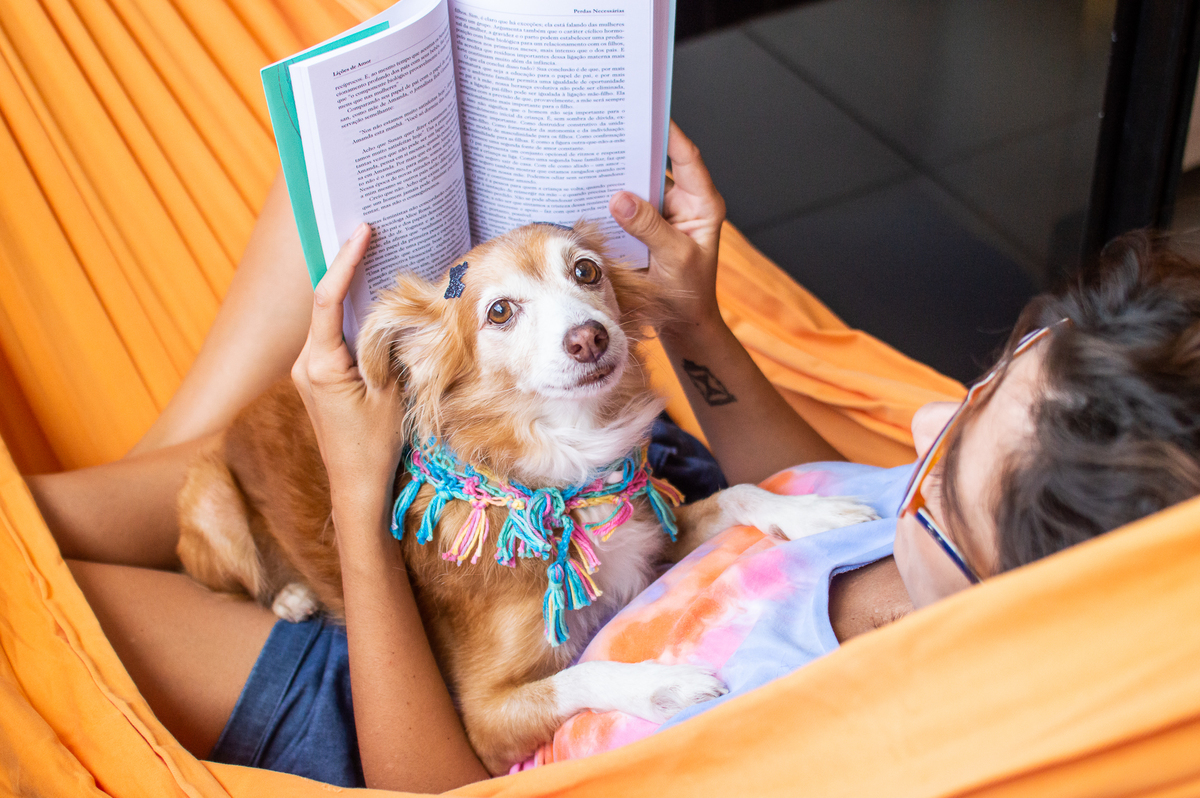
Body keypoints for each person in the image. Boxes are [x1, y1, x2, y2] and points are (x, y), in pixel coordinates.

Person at [22, 123, 1200, 790]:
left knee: (23, 594)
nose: (919, 422)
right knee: (321, 177)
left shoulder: (830, 727)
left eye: (945, 455)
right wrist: (696, 325)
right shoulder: (991, 512)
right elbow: (813, 492)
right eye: (993, 375)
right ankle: (193, 469)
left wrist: (353, 495)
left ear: (1005, 586)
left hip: (412, 683)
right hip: (614, 494)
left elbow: (438, 779)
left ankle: (197, 483)